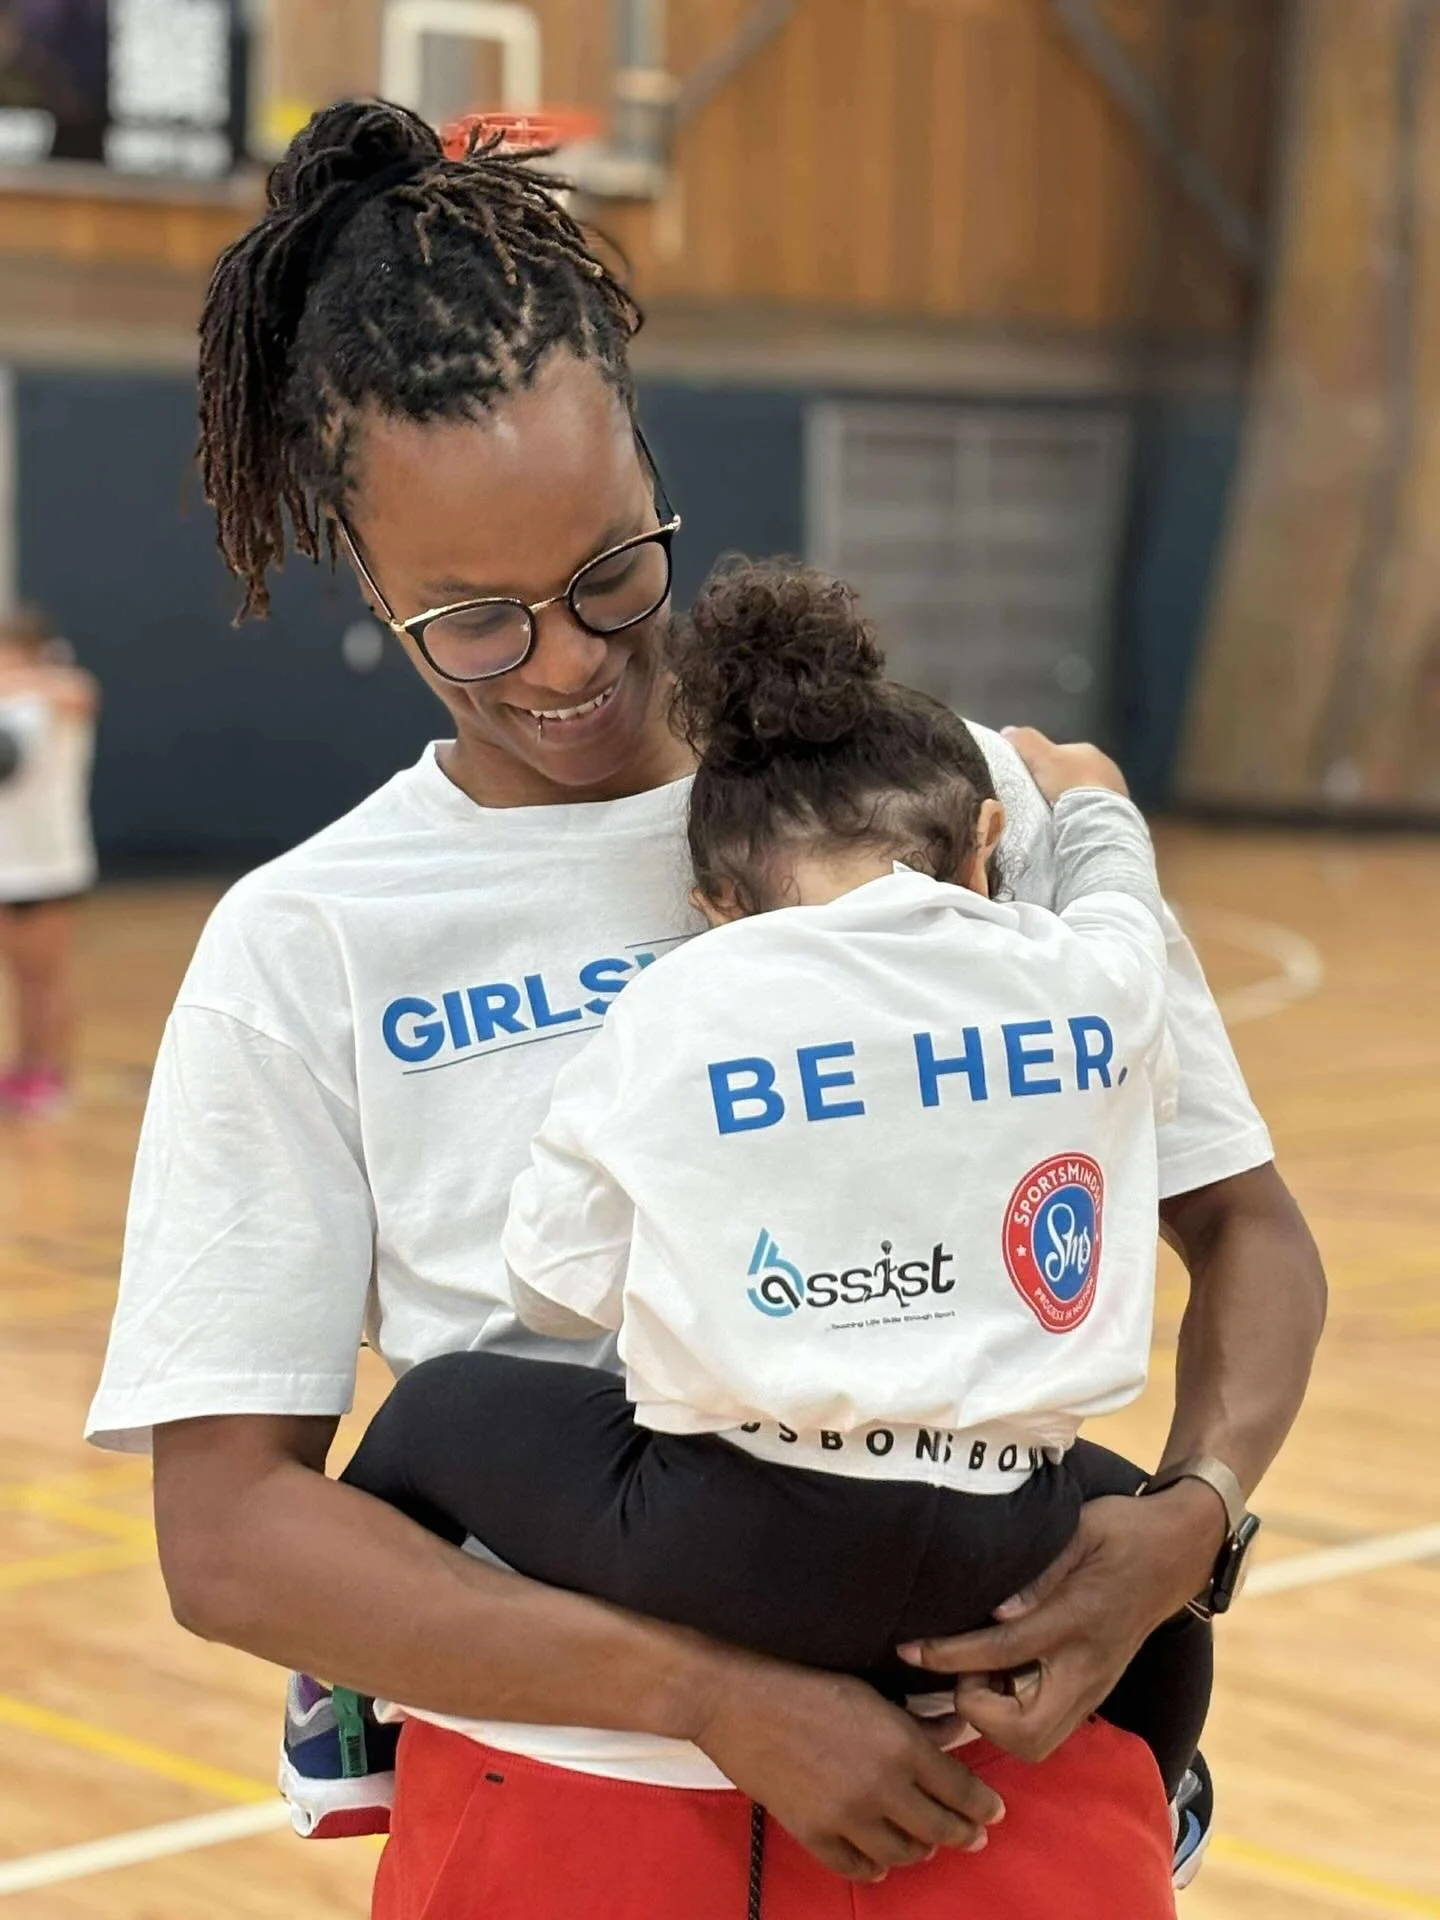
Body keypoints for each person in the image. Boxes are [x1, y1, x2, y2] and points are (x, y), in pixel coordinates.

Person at [85, 101, 1325, 1920]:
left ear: (658, 475)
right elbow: (230, 1534)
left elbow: (1250, 1232)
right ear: (368, 589)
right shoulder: (309, 942)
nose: (573, 661)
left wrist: (1194, 1520)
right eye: (479, 623)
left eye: (609, 572)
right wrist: (703, 1698)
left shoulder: (968, 803)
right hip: (557, 1816)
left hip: (1004, 1788)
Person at [334, 558, 1216, 1833]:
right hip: (1005, 1541)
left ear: (715, 905)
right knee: (1160, 1566)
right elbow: (1122, 903)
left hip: (735, 1544)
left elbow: (552, 1281)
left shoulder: (675, 1007)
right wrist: (1090, 803)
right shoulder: (1086, 975)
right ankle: (1165, 1788)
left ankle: (348, 1712)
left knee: (436, 1413)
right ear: (983, 848)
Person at [0, 603, 99, 1117]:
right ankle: (22, 1065)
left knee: (47, 976)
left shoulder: (61, 691)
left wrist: (22, 678)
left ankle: (53, 1073)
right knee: (19, 976)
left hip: (50, 863)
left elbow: (79, 695)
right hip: (7, 864)